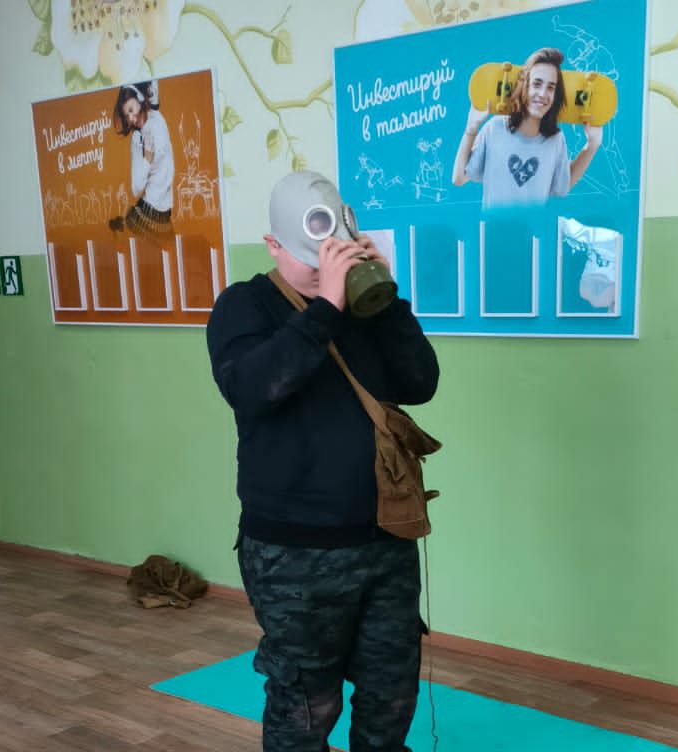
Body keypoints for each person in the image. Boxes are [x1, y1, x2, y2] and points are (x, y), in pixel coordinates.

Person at [205, 169, 440, 752]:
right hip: (293, 554)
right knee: (307, 706)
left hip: (384, 540)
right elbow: (253, 389)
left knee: (391, 695)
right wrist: (325, 309)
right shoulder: (244, 306)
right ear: (273, 245)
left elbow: (421, 382)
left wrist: (384, 299)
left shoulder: (364, 308)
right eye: (309, 257)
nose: (323, 267)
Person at [452, 47, 602, 209]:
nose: (543, 94)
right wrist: (471, 129)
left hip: (535, 226)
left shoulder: (555, 140)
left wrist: (592, 145)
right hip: (494, 226)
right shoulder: (495, 128)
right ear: (525, 85)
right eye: (537, 84)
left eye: (551, 87)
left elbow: (563, 186)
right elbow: (459, 178)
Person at [108, 80, 175, 238]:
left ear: (139, 98)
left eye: (131, 110)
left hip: (165, 213)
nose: (131, 118)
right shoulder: (137, 140)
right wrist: (147, 160)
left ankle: (121, 225)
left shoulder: (156, 116)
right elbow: (136, 188)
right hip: (149, 212)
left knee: (172, 249)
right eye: (127, 115)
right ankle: (121, 227)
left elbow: (152, 82)